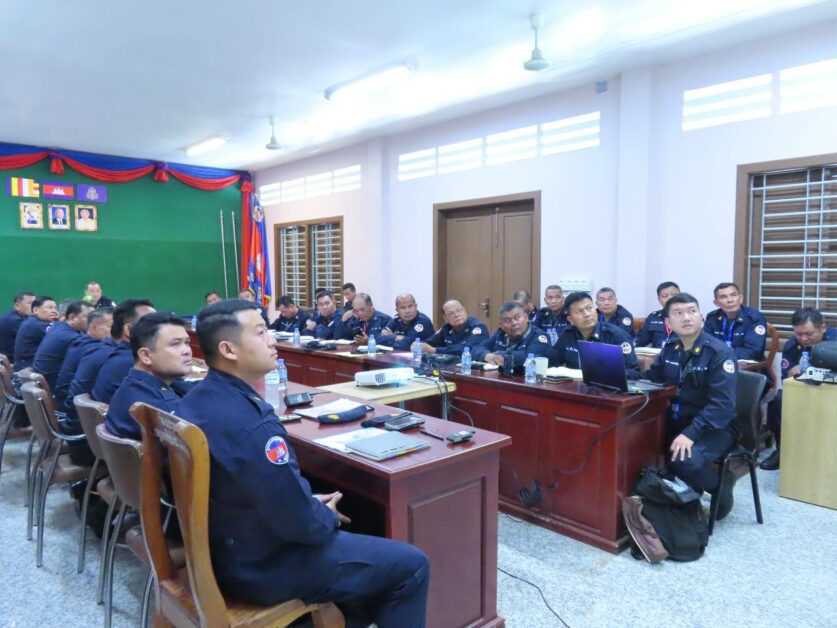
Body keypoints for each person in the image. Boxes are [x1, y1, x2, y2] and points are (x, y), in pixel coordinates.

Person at [178, 300, 429, 626]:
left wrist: (307, 503)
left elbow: (260, 489)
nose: (272, 340)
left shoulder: (196, 399)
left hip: (227, 549)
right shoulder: (254, 425)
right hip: (266, 566)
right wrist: (323, 514)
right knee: (411, 565)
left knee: (358, 520)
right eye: (260, 332)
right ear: (228, 349)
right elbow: (300, 524)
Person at [647, 293, 738, 519]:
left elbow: (722, 406)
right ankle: (675, 495)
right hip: (677, 420)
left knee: (684, 460)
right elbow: (653, 379)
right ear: (668, 322)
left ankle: (720, 485)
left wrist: (691, 433)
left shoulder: (719, 353)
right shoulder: (671, 347)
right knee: (638, 444)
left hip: (715, 427)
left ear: (701, 316)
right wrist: (623, 375)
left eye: (691, 311)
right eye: (678, 313)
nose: (686, 318)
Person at [760, 307, 837, 471]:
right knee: (778, 401)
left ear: (823, 328)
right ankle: (781, 450)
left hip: (831, 394)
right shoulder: (792, 345)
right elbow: (786, 380)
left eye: (809, 334)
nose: (803, 338)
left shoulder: (834, 342)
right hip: (803, 391)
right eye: (798, 334)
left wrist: (809, 369)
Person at [105, 312, 194, 440]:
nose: (187, 351)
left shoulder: (135, 385)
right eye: (176, 344)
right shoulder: (158, 408)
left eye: (187, 342)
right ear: (145, 356)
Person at [548, 292, 640, 378]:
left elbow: (634, 372)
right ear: (571, 320)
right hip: (574, 387)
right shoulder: (567, 335)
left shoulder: (615, 335)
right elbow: (551, 364)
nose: (587, 314)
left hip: (606, 387)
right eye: (580, 311)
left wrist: (605, 374)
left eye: (589, 308)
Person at [91, 299, 156, 403]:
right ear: (128, 330)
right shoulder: (136, 362)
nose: (160, 330)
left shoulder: (121, 356)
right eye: (152, 325)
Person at [53, 308, 113, 409]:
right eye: (111, 327)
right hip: (71, 410)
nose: (117, 331)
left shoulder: (83, 343)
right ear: (93, 327)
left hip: (66, 404)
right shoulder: (95, 349)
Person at [33, 300, 94, 390]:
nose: (92, 322)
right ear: (72, 317)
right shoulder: (70, 337)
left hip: (47, 383)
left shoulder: (58, 326)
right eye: (88, 317)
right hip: (53, 388)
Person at [471, 301, 549, 366]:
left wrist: (502, 355)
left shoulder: (539, 336)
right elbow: (476, 348)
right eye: (508, 320)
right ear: (501, 325)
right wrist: (487, 355)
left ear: (526, 317)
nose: (514, 323)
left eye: (517, 318)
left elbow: (530, 357)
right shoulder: (500, 334)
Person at [703, 282, 767, 361]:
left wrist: (722, 353)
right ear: (716, 303)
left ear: (740, 298)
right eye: (723, 297)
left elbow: (754, 351)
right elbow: (706, 344)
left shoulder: (753, 318)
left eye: (733, 295)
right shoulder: (712, 318)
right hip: (718, 362)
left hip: (746, 364)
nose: (730, 300)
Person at [421, 300, 488, 356]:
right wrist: (421, 346)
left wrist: (435, 350)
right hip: (451, 365)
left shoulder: (477, 327)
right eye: (451, 313)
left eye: (459, 310)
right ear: (446, 318)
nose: (457, 315)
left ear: (465, 310)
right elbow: (429, 342)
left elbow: (467, 350)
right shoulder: (447, 328)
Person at [13, 296, 58, 370]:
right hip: (27, 369)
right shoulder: (34, 324)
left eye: (55, 308)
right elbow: (59, 338)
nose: (54, 311)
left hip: (30, 365)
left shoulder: (34, 321)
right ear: (35, 310)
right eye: (49, 308)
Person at [636, 281, 681, 348]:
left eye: (674, 295)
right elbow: (639, 342)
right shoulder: (653, 318)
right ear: (659, 300)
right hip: (658, 354)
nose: (670, 298)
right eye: (665, 296)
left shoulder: (689, 317)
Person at [0, 291, 35, 358]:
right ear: (17, 306)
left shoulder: (13, 315)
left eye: (36, 303)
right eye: (30, 303)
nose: (35, 306)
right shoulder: (15, 320)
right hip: (11, 361)